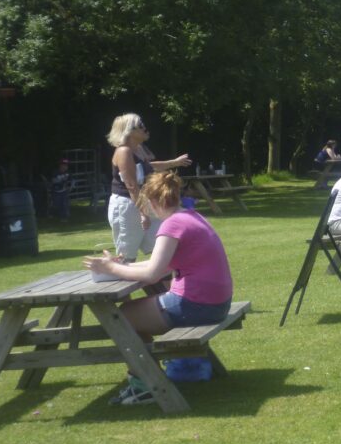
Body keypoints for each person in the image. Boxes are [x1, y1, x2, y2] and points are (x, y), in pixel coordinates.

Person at [83, 171, 233, 405]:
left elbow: (152, 274)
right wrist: (121, 266)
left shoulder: (172, 224)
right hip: (216, 303)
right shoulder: (191, 216)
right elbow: (161, 266)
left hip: (197, 304)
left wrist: (110, 268)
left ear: (153, 202)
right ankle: (145, 377)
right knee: (131, 314)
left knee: (122, 317)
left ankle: (145, 384)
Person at [106, 113, 192, 262]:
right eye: (141, 125)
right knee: (127, 258)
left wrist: (175, 162)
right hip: (127, 206)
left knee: (163, 251)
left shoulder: (139, 149)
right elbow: (132, 186)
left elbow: (149, 166)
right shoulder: (123, 151)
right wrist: (143, 214)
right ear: (129, 130)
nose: (145, 128)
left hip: (142, 202)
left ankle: (167, 279)